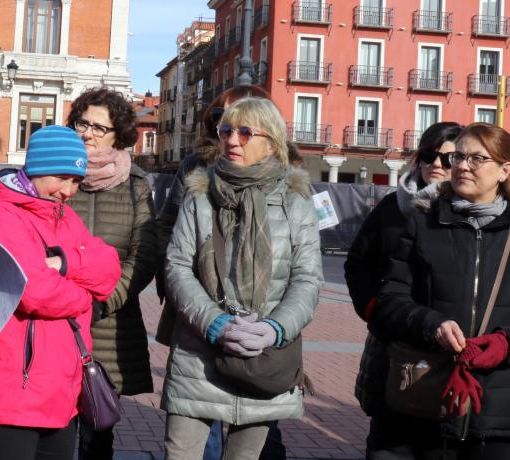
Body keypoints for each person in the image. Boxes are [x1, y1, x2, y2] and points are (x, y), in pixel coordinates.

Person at [161, 97, 323, 460]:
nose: (232, 140)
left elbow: (307, 279)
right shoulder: (200, 196)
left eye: (245, 132)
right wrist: (215, 324)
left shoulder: (296, 203)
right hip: (198, 355)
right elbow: (177, 267)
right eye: (226, 131)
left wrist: (274, 329)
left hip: (263, 357)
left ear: (272, 142)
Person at [0, 125, 121, 460]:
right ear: (37, 169)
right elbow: (33, 290)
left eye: (76, 181)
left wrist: (62, 263)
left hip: (61, 394)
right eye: (61, 177)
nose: (68, 190)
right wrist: (84, 298)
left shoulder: (67, 218)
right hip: (7, 392)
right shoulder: (1, 214)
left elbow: (109, 268)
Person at [373, 122, 510, 458]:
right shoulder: (423, 223)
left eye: (477, 159)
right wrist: (430, 324)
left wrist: (504, 341)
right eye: (459, 157)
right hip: (425, 402)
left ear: (504, 170)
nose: (462, 166)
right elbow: (391, 302)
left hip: (497, 415)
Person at [344, 122, 462, 459]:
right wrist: (374, 310)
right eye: (429, 155)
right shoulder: (392, 207)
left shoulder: (467, 210)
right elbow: (359, 263)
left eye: (448, 158)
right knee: (389, 440)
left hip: (450, 351)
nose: (437, 165)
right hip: (394, 344)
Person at [65, 88, 158, 460]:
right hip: (58, 319)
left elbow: (144, 256)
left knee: (97, 432)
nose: (87, 133)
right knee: (52, 428)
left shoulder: (136, 187)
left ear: (118, 134)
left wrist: (104, 301)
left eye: (98, 127)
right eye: (82, 123)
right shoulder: (56, 177)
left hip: (109, 324)